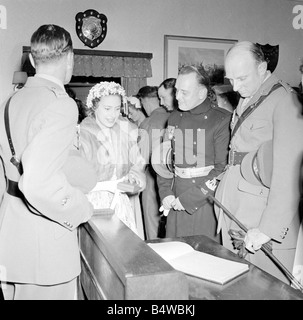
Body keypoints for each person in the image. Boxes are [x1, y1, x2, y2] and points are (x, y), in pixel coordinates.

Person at [0, 24, 96, 300]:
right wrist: (80, 208)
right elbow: (37, 183)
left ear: (31, 60)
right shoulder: (60, 104)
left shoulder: (10, 100)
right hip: (44, 244)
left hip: (11, 235)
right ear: (70, 59)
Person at [214, 41, 303, 284]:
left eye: (241, 78)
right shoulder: (249, 96)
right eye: (230, 79)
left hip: (260, 220)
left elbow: (290, 172)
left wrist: (268, 228)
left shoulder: (284, 100)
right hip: (234, 210)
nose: (235, 86)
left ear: (263, 67)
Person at [157, 66, 231, 241]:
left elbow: (222, 169)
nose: (177, 97)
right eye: (176, 91)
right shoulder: (174, 118)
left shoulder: (221, 120)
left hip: (204, 202)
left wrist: (189, 200)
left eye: (184, 92)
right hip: (175, 199)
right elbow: (165, 161)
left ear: (201, 93)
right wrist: (165, 192)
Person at [79, 81, 146, 239]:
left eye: (117, 109)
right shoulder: (82, 133)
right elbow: (76, 177)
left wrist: (134, 177)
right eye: (107, 109)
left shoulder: (126, 129)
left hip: (120, 202)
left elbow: (137, 163)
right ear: (94, 106)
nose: (112, 115)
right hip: (93, 203)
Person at [136, 86, 170, 239]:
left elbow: (141, 158)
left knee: (152, 222)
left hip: (152, 176)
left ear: (144, 101)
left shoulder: (147, 123)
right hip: (171, 177)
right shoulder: (174, 117)